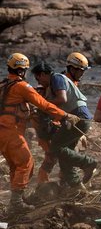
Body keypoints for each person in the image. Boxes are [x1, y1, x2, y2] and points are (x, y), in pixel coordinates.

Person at [0, 53, 79, 213]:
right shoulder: (22, 86)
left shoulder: (2, 85)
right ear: (23, 70)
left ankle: (17, 200)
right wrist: (64, 115)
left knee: (16, 166)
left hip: (3, 133)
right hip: (11, 132)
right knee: (26, 163)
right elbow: (43, 104)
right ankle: (15, 203)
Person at [31, 61, 97, 192]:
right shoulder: (51, 85)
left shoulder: (56, 78)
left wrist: (42, 105)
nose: (38, 82)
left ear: (43, 74)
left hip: (78, 117)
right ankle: (77, 187)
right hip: (74, 119)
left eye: (38, 78)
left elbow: (62, 99)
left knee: (55, 147)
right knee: (64, 156)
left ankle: (88, 163)